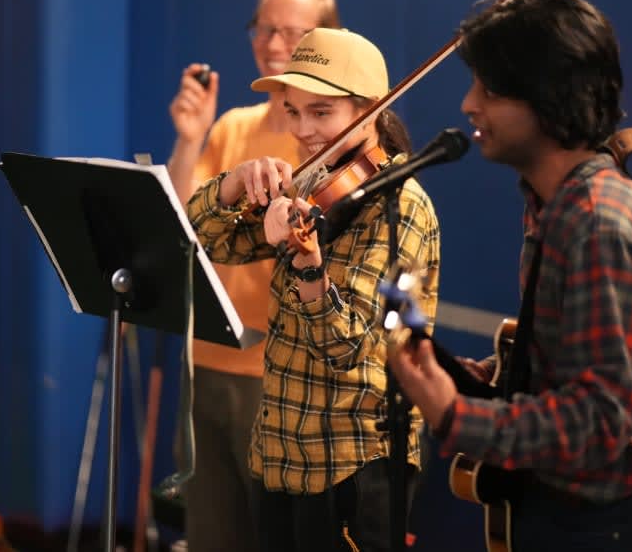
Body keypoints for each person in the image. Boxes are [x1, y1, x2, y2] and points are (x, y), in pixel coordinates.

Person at [387, 0, 632, 551]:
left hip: (617, 525)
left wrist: (456, 414)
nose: (468, 104)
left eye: (490, 87)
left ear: (547, 97)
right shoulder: (553, 204)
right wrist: (485, 379)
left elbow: (600, 421)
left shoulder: (600, 223)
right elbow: (571, 368)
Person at [185, 27, 441, 552]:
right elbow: (209, 240)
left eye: (321, 112)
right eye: (293, 110)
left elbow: (351, 347)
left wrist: (306, 262)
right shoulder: (311, 184)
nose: (302, 130)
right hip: (282, 454)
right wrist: (234, 183)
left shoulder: (403, 206)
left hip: (353, 463)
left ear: (370, 109)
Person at [164, 0, 341, 552]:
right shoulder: (235, 125)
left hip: (277, 372)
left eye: (292, 31)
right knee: (211, 532)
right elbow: (183, 227)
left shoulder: (328, 142)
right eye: (264, 27)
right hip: (207, 356)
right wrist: (189, 139)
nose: (272, 41)